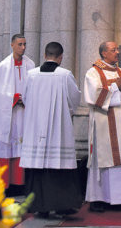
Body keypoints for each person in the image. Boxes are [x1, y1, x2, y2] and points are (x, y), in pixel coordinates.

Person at [21, 41, 81, 217]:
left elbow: (25, 97)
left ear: (44, 55)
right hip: (58, 130)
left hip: (35, 127)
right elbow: (74, 99)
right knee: (59, 164)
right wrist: (65, 111)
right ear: (61, 57)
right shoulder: (65, 75)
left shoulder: (31, 75)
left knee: (37, 165)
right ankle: (62, 205)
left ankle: (39, 206)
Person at [84, 40, 121, 212]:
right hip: (102, 123)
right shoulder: (93, 72)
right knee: (103, 159)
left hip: (119, 123)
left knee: (119, 158)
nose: (117, 53)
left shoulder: (119, 71)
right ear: (104, 53)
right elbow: (94, 96)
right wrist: (116, 86)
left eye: (117, 49)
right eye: (113, 50)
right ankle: (98, 198)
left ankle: (120, 199)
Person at [0, 34, 36, 195]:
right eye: (20, 44)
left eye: (25, 44)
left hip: (24, 113)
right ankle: (5, 185)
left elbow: (34, 88)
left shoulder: (30, 64)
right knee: (6, 147)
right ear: (12, 45)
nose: (23, 47)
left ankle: (19, 184)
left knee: (21, 148)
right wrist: (14, 98)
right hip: (7, 115)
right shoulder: (3, 67)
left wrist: (25, 98)